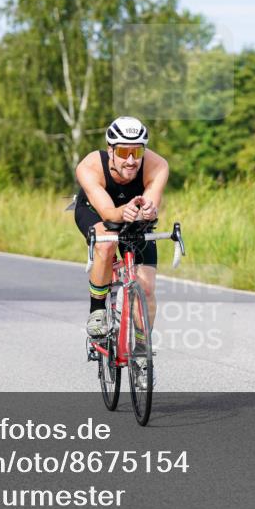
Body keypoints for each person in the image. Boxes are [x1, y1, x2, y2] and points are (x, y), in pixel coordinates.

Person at [74, 116, 169, 345]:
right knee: (107, 243)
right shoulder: (89, 167)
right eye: (124, 152)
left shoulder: (158, 166)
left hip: (133, 212)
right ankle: (97, 310)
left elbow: (151, 203)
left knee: (146, 288)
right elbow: (107, 213)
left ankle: (142, 347)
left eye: (137, 153)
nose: (130, 160)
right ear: (111, 151)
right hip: (96, 210)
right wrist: (122, 212)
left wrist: (148, 211)